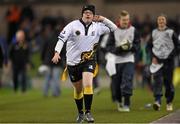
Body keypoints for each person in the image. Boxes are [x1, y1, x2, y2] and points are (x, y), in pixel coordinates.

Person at [52, 5, 117, 123]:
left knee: (88, 84)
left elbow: (114, 28)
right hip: (73, 63)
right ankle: (80, 113)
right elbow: (61, 39)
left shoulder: (98, 27)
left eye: (90, 13)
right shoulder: (72, 26)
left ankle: (88, 112)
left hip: (89, 60)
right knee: (78, 90)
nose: (88, 14)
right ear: (82, 14)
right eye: (86, 12)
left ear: (93, 15)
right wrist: (57, 53)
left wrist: (103, 19)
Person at [105, 10, 140, 112]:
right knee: (116, 84)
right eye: (124, 20)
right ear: (119, 20)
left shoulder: (134, 30)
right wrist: (118, 49)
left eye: (127, 19)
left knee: (127, 81)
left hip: (129, 59)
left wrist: (131, 47)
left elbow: (138, 44)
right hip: (116, 61)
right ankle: (119, 101)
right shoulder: (114, 31)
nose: (126, 21)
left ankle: (127, 104)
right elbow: (108, 46)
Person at [148, 14, 180, 111]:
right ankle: (157, 101)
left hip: (168, 62)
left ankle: (169, 102)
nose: (161, 21)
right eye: (159, 20)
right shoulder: (153, 32)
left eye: (163, 20)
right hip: (157, 61)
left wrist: (170, 56)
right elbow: (148, 47)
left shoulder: (171, 32)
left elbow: (178, 46)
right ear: (157, 22)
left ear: (165, 22)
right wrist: (152, 57)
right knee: (157, 81)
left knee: (168, 82)